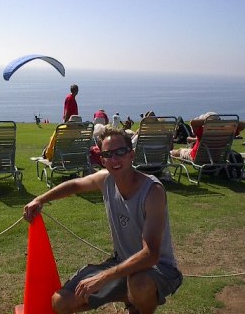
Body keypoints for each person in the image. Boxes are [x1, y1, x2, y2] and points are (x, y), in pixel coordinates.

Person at [24, 128, 182, 314]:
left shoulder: (152, 191)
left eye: (120, 152)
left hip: (158, 269)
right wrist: (40, 199)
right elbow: (75, 185)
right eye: (108, 154)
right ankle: (128, 296)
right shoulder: (105, 180)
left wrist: (102, 278)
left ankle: (138, 306)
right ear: (102, 160)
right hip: (122, 264)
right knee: (61, 302)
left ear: (131, 155)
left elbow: (151, 255)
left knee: (139, 283)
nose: (115, 159)